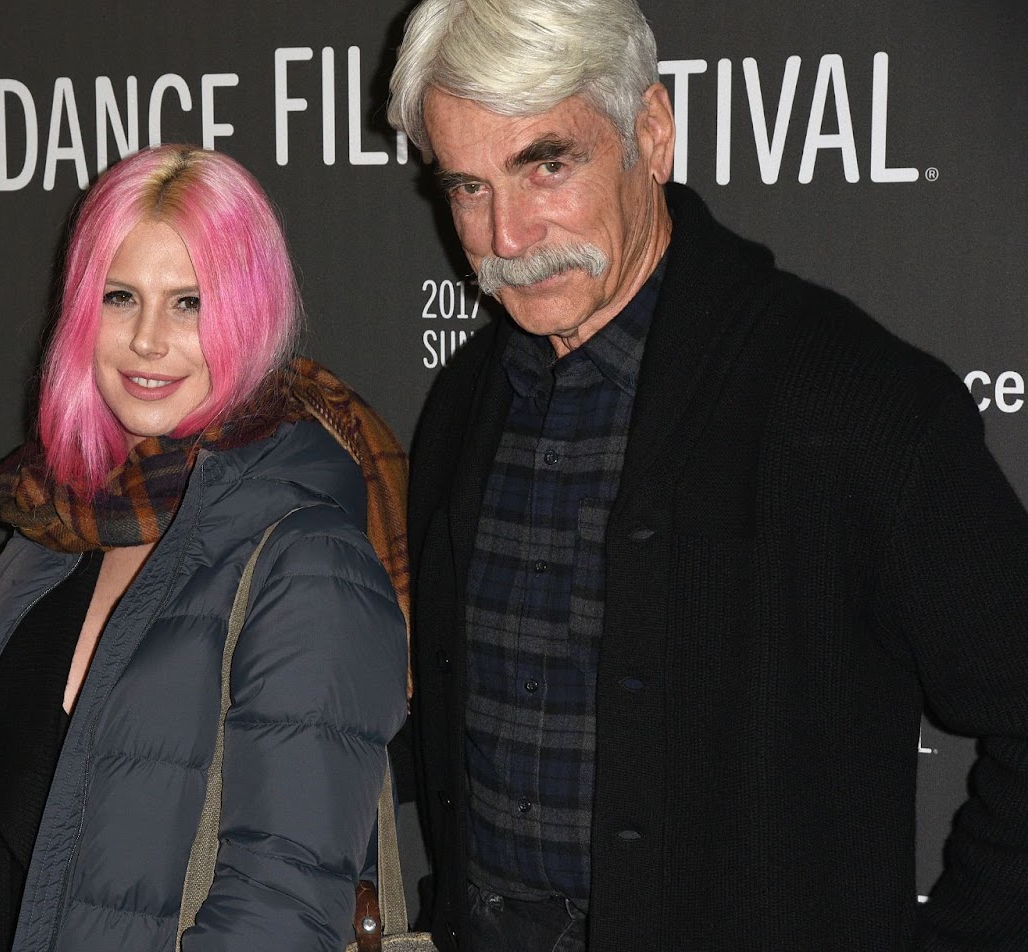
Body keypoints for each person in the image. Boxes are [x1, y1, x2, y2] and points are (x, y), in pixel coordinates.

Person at [388, 0, 1028, 949]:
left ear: (651, 134)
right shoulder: (463, 407)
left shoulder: (855, 404)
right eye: (467, 188)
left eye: (546, 165)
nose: (506, 238)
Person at [0, 143, 411, 952]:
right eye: (120, 297)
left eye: (190, 303)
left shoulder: (307, 559)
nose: (148, 341)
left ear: (250, 315)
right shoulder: (47, 533)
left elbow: (282, 911)